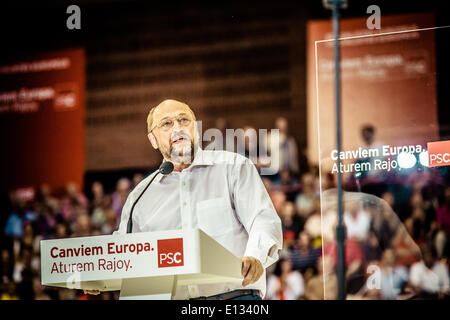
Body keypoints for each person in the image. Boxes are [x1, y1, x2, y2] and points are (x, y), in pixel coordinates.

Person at [84, 99, 282, 300]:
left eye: (183, 120)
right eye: (166, 124)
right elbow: (125, 249)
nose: (177, 128)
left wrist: (256, 256)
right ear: (153, 139)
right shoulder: (141, 195)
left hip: (236, 298)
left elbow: (262, 220)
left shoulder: (234, 167)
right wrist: (98, 275)